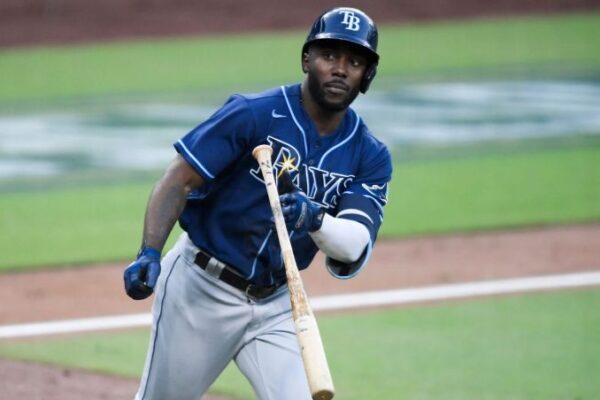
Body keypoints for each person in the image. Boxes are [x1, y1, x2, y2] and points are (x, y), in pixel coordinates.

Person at [123, 6, 392, 400]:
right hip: (200, 291)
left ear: (367, 75)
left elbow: (353, 244)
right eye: (329, 55)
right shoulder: (253, 114)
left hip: (279, 302)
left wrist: (315, 219)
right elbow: (178, 179)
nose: (340, 69)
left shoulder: (368, 155)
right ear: (306, 59)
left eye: (354, 61)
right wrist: (149, 251)